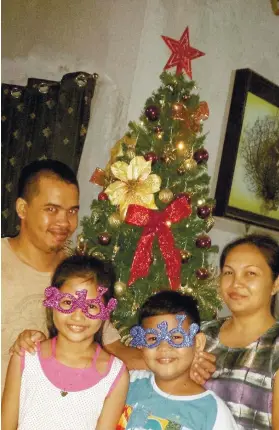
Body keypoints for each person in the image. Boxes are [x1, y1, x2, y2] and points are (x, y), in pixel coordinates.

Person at [1, 159, 144, 392]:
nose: (64, 223)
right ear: (22, 209)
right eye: (51, 209)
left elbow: (113, 349)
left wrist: (179, 359)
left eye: (72, 211)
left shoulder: (79, 275)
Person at [1, 255, 129, 430]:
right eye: (68, 302)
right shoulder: (26, 355)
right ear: (52, 302)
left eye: (91, 306)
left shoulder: (115, 375)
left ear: (106, 310)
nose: (78, 315)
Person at [117, 290, 238, 430]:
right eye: (153, 338)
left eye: (176, 337)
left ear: (198, 343)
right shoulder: (126, 384)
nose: (164, 348)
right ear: (141, 344)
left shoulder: (211, 412)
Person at [202, 234, 279, 429]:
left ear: (275, 284)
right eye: (228, 273)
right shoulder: (202, 334)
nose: (236, 283)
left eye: (250, 273)